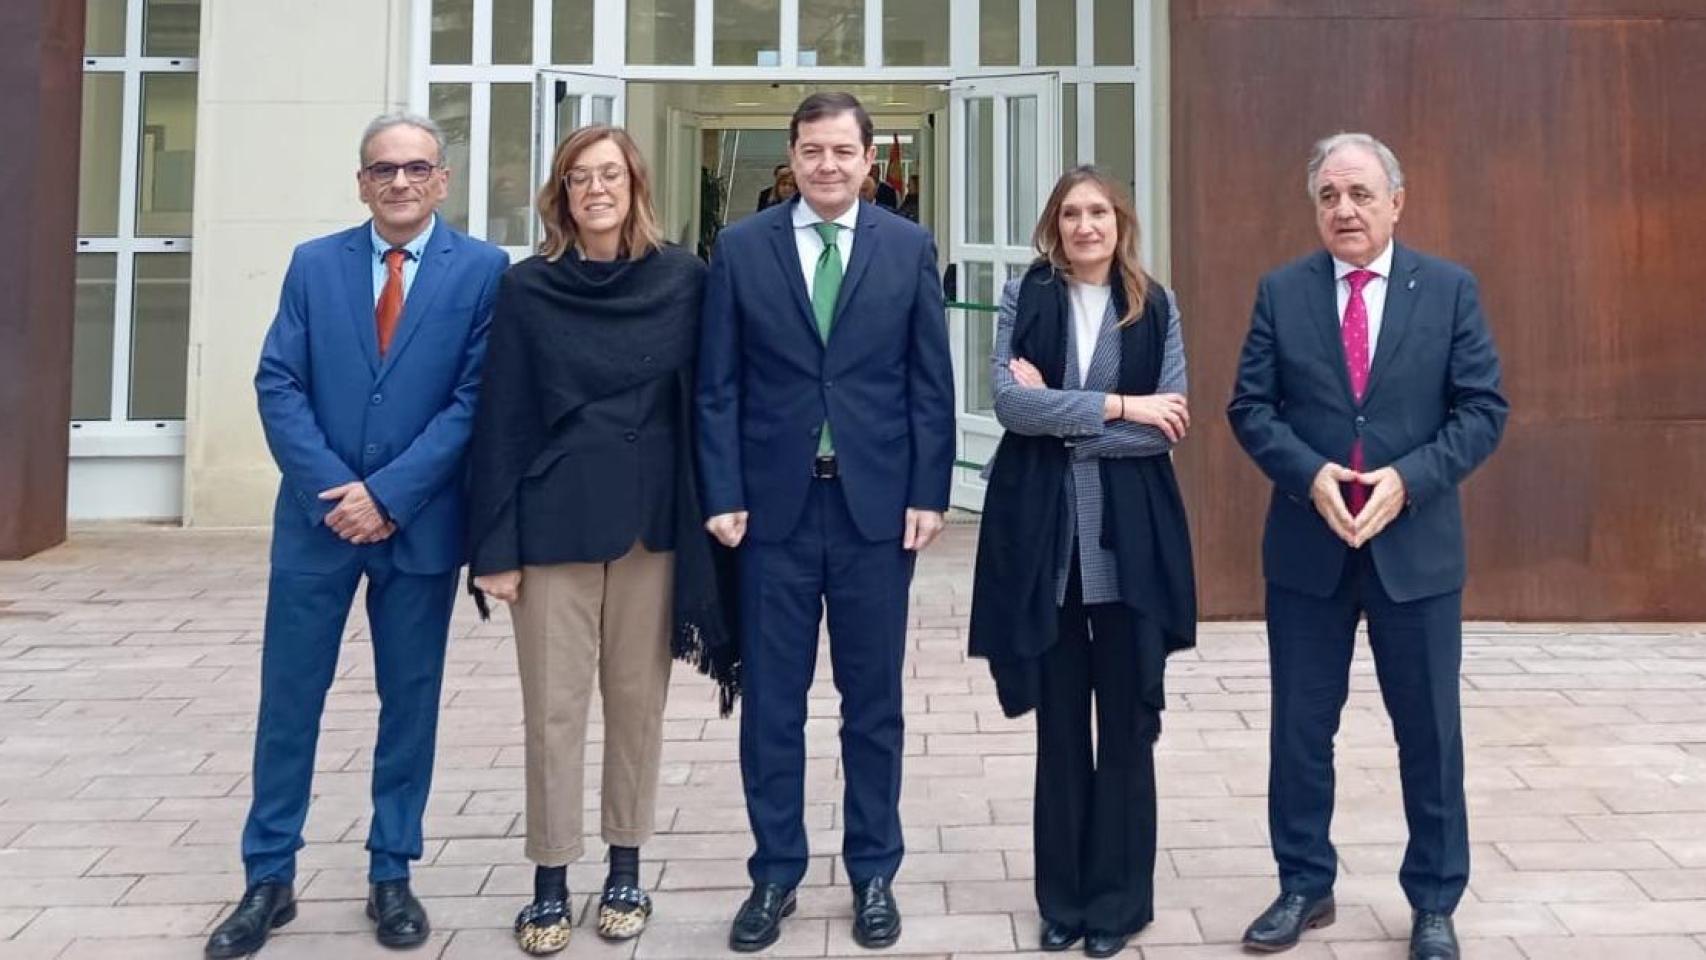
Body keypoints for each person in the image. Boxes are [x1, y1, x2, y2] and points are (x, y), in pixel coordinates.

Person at [204, 113, 508, 959]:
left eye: (416, 168)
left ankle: (391, 870)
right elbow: (278, 382)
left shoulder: (483, 271)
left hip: (417, 527)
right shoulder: (313, 265)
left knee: (408, 704)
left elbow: (474, 400)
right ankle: (268, 874)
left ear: (443, 179)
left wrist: (390, 494)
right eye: (383, 170)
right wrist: (336, 491)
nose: (400, 183)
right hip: (318, 524)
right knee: (289, 701)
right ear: (361, 181)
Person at [1227, 132, 1507, 960]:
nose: (1343, 210)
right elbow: (1250, 408)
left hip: (1414, 551)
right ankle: (1304, 884)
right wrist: (1308, 474)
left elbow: (1482, 410)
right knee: (1300, 731)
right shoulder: (1282, 292)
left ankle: (1433, 900)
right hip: (1309, 551)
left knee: (1428, 731)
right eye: (1328, 197)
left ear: (1396, 200)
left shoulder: (1450, 290)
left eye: (1359, 194)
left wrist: (1408, 480)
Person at [464, 125, 736, 955]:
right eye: (579, 178)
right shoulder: (528, 290)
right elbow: (502, 420)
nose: (595, 190)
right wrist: (495, 550)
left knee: (637, 707)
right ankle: (550, 876)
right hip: (552, 529)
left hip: (652, 527)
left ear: (635, 185)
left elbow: (710, 401)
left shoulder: (684, 280)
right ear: (560, 194)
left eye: (609, 174)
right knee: (552, 711)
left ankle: (625, 868)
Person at [697, 91, 955, 953]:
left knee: (872, 703)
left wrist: (930, 490)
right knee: (773, 702)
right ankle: (775, 873)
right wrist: (721, 490)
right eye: (812, 151)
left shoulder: (909, 246)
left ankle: (875, 870)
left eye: (843, 151)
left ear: (869, 159)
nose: (828, 165)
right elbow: (718, 385)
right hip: (772, 511)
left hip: (874, 511)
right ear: (793, 156)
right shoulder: (740, 248)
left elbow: (929, 381)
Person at [968, 166, 1197, 959]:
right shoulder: (1025, 298)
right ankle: (1061, 900)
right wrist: (1119, 406)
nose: (1085, 225)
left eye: (1098, 211)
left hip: (1131, 544)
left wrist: (1060, 416)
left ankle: (1119, 904)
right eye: (1071, 213)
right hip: (1046, 547)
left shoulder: (1156, 304)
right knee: (1060, 728)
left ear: (1120, 221)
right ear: (1054, 225)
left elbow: (1169, 426)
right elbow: (1007, 404)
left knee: (1128, 726)